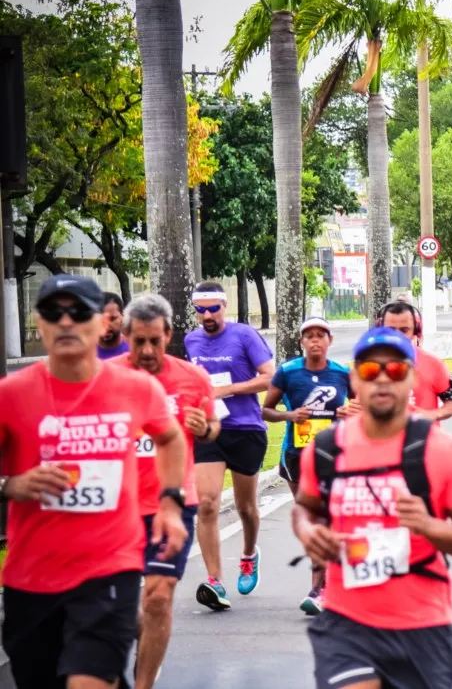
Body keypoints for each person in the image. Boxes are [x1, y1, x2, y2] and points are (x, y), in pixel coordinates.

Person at [0, 275, 188, 689]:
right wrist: (10, 485)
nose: (66, 322)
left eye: (78, 312)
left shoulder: (135, 388)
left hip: (108, 568)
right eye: (54, 312)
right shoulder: (10, 395)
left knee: (87, 681)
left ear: (101, 323)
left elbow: (171, 437)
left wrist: (172, 503)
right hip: (31, 577)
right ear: (39, 323)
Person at [293, 327, 452, 688]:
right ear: (355, 378)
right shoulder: (326, 449)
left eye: (395, 370)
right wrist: (309, 532)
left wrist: (430, 526)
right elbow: (304, 508)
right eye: (370, 370)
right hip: (346, 623)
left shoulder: (441, 450)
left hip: (421, 626)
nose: (382, 379)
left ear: (412, 378)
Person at [113, 293, 216, 689]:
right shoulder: (106, 378)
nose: (147, 350)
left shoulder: (193, 378)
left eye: (155, 340)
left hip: (172, 502)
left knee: (158, 596)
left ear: (169, 335)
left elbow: (213, 425)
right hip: (115, 508)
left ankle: (143, 684)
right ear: (125, 336)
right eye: (138, 341)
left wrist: (203, 428)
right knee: (119, 607)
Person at [186, 280, 275, 609]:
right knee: (207, 502)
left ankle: (250, 554)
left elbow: (269, 376)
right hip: (210, 430)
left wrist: (226, 390)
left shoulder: (244, 335)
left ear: (225, 307)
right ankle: (215, 581)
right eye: (201, 309)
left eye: (213, 308)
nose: (207, 315)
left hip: (247, 428)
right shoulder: (190, 340)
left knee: (246, 508)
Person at [262, 316, 353, 616]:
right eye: (309, 336)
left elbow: (361, 410)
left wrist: (346, 412)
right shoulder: (288, 372)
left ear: (329, 341)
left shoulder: (342, 374)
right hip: (296, 455)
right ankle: (325, 585)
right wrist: (290, 417)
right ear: (301, 341)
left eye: (320, 335)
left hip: (333, 455)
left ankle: (320, 588)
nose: (315, 340)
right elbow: (266, 410)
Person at [379, 301, 452, 421]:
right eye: (391, 329)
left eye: (404, 330)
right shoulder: (369, 365)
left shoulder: (433, 363)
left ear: (415, 331)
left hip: (424, 438)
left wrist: (429, 416)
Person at [97, 291, 130, 359]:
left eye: (112, 319)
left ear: (122, 316)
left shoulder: (134, 350)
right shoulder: (84, 353)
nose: (107, 325)